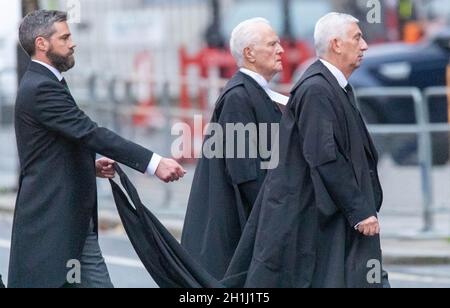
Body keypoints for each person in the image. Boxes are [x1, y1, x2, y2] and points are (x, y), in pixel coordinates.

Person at [8, 10, 186, 288]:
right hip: (53, 220)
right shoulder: (40, 87)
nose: (72, 43)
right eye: (64, 37)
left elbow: (52, 145)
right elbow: (90, 132)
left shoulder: (46, 82)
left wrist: (86, 166)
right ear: (42, 43)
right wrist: (153, 162)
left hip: (72, 220)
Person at [224, 13, 389, 288]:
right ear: (336, 44)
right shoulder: (316, 89)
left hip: (336, 221)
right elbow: (324, 156)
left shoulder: (332, 86)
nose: (365, 46)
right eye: (357, 38)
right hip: (323, 222)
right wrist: (359, 210)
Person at [181, 18, 288, 280]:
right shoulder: (239, 97)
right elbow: (245, 173)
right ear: (249, 53)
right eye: (272, 44)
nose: (281, 49)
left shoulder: (255, 92)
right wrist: (278, 217)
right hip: (237, 232)